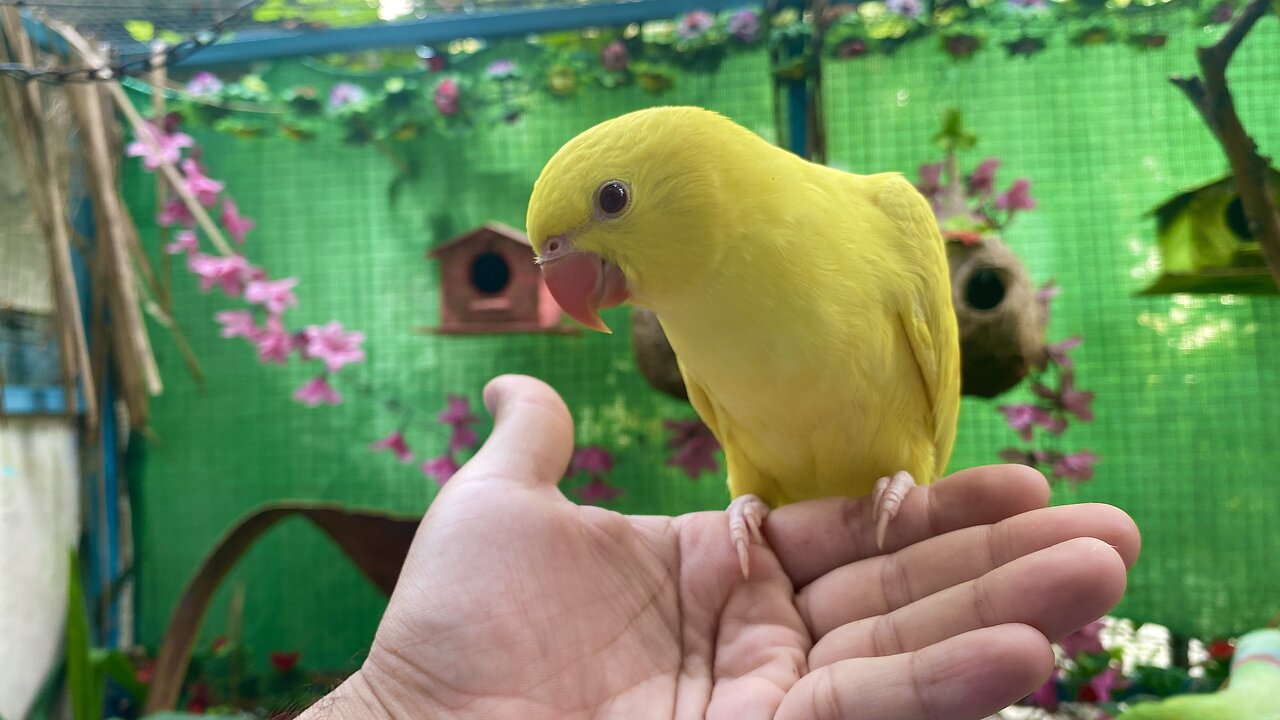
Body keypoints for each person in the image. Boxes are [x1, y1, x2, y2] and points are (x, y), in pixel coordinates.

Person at [299, 375, 1139, 720]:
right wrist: (405, 703)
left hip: (887, 503)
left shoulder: (885, 219)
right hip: (772, 545)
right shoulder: (679, 317)